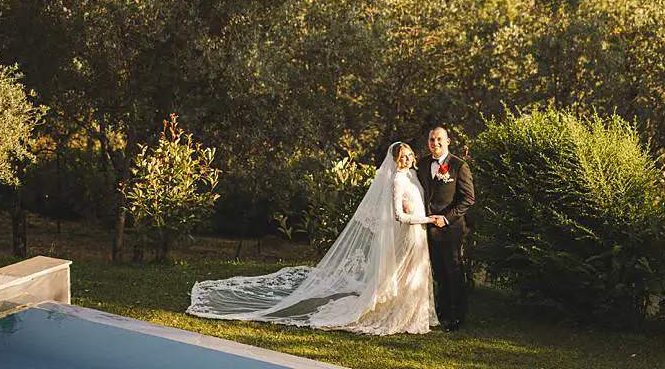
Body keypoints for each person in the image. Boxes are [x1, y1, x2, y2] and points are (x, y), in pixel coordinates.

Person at [188, 142, 438, 335]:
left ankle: (415, 316)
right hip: (409, 231)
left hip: (418, 235)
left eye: (409, 155)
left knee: (414, 274)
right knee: (403, 274)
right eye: (401, 156)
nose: (406, 159)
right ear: (395, 160)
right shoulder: (396, 179)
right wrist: (427, 219)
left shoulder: (412, 176)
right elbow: (398, 215)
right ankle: (399, 315)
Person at [416, 125, 476, 330]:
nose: (435, 143)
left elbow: (468, 199)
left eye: (439, 139)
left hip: (450, 230)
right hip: (426, 229)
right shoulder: (422, 165)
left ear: (448, 141)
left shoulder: (459, 166)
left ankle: (457, 316)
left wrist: (446, 219)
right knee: (438, 272)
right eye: (432, 139)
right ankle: (441, 311)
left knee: (453, 272)